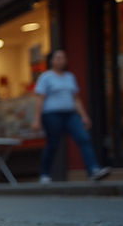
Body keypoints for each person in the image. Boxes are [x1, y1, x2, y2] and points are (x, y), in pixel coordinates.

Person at [32, 49, 111, 183]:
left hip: (70, 115)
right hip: (51, 115)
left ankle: (93, 170)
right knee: (52, 145)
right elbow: (40, 99)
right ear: (51, 61)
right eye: (57, 58)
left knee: (83, 138)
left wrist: (84, 116)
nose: (61, 60)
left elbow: (76, 99)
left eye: (63, 57)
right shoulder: (46, 77)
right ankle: (44, 174)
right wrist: (36, 120)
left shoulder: (70, 77)